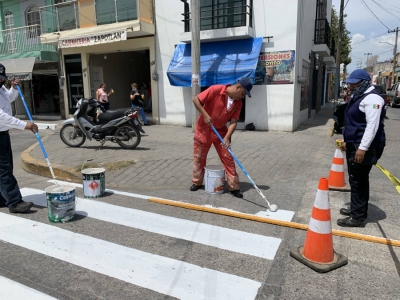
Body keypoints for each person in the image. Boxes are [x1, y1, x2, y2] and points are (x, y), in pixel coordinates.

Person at [337, 69, 386, 227]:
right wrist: (346, 140)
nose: (350, 86)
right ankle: (356, 208)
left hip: (365, 146)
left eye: (354, 83)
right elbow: (353, 122)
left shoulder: (372, 98)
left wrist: (362, 149)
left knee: (358, 180)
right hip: (355, 143)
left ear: (363, 82)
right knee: (355, 178)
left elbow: (372, 126)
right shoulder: (359, 95)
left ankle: (357, 217)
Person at [190, 77, 253, 198]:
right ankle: (197, 182)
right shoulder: (216, 90)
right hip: (203, 130)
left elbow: (234, 122)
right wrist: (205, 115)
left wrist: (227, 137)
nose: (243, 96)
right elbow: (195, 100)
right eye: (243, 93)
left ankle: (234, 187)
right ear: (238, 87)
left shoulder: (238, 103)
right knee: (199, 158)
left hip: (221, 132)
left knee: (228, 158)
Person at [0, 64, 38, 213]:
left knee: (4, 168)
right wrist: (24, 125)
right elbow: (1, 116)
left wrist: (14, 89)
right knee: (4, 170)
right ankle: (15, 203)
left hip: (3, 134)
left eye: (2, 78)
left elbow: (9, 98)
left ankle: (3, 198)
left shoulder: (2, 88)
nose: (1, 81)